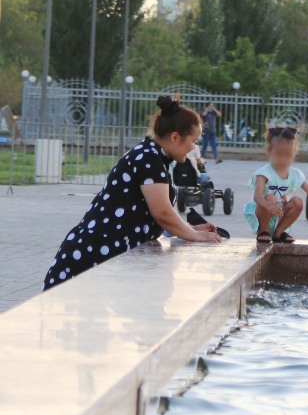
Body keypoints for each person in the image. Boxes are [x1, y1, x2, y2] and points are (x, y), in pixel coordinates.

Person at [42, 97, 222, 290]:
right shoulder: (150, 159)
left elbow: (159, 212)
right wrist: (193, 235)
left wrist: (190, 228)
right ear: (175, 137)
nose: (194, 148)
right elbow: (162, 213)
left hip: (99, 254)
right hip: (93, 258)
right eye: (193, 141)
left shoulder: (151, 156)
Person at [245, 127, 308, 244]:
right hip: (262, 212)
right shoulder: (264, 173)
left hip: (281, 214)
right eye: (279, 154)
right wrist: (268, 205)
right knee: (270, 198)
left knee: (298, 202)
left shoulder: (296, 174)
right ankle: (264, 231)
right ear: (269, 151)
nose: (283, 159)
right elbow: (257, 196)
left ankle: (279, 232)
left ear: (294, 152)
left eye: (288, 155)